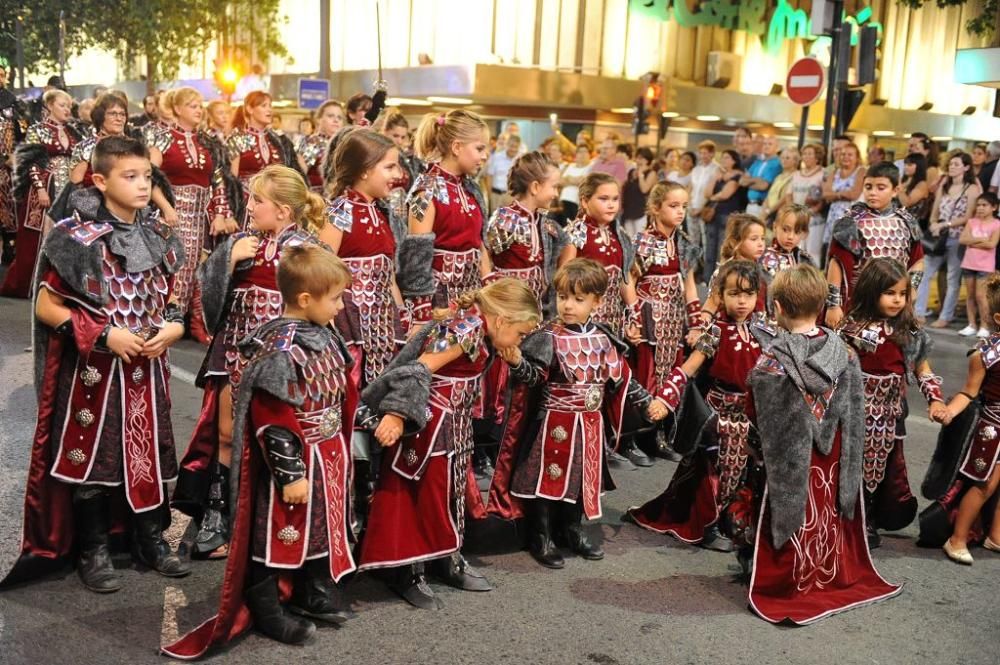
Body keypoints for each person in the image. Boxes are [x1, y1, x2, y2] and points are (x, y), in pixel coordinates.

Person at [2, 135, 190, 591]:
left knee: (147, 455)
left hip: (147, 371)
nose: (143, 185)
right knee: (95, 462)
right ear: (100, 180)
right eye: (130, 177)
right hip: (94, 374)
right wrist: (106, 334)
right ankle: (94, 549)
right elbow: (48, 308)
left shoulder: (161, 234)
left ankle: (150, 539)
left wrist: (173, 328)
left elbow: (174, 302)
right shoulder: (74, 236)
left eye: (146, 175)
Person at [163, 246, 358, 658]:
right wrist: (290, 474)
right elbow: (274, 419)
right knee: (277, 532)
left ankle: (308, 589)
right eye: (335, 298)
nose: (341, 306)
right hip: (294, 462)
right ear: (305, 299)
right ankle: (266, 607)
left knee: (319, 526)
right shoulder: (281, 349)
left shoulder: (324, 335)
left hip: (326, 455)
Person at [172, 165, 333, 560]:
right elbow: (210, 303)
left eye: (258, 200)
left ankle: (265, 518)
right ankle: (216, 512)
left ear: (282, 210)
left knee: (274, 436)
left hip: (282, 359)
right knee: (226, 434)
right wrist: (226, 262)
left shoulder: (311, 250)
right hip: (233, 353)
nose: (250, 205)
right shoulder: (240, 243)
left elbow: (326, 307)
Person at [357, 279, 541, 609]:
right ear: (501, 319)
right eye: (521, 333)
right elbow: (419, 368)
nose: (520, 340)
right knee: (420, 493)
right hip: (429, 424)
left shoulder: (483, 329)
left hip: (453, 424)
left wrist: (513, 358)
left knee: (449, 492)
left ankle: (445, 557)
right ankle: (406, 570)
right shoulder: (467, 329)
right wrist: (398, 413)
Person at [742, 263, 902, 625]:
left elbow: (759, 413)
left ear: (777, 308)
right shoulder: (844, 352)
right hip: (832, 455)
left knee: (791, 509)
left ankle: (786, 580)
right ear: (819, 307)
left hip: (791, 458)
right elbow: (855, 411)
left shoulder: (773, 360)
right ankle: (827, 572)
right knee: (825, 511)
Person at [508, 259, 667, 568]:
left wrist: (648, 401)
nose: (568, 306)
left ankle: (573, 530)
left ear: (596, 301)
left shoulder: (603, 338)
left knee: (581, 479)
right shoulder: (547, 336)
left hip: (590, 424)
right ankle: (541, 536)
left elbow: (621, 377)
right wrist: (516, 361)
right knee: (548, 480)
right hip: (554, 422)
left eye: (578, 299)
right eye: (563, 297)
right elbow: (533, 378)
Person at [628, 260, 766, 552]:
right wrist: (664, 400)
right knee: (714, 474)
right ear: (720, 296)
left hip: (751, 416)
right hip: (717, 417)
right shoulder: (714, 333)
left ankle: (734, 518)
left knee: (745, 471)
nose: (742, 301)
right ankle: (709, 525)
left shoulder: (764, 332)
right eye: (734, 294)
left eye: (749, 294)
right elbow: (686, 370)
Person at [839, 258, 945, 548]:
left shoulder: (910, 332)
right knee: (851, 467)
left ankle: (870, 520)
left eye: (902, 293)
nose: (897, 300)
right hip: (854, 413)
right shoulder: (852, 328)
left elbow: (923, 369)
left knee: (883, 471)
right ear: (872, 292)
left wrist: (935, 399)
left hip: (890, 415)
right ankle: (847, 520)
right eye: (890, 293)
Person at [149, 87, 240, 345]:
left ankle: (192, 323)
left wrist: (222, 213)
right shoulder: (163, 137)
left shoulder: (207, 142)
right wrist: (166, 207)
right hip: (170, 216)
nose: (199, 110)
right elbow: (149, 175)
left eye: (200, 105)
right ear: (177, 109)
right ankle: (164, 318)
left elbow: (218, 180)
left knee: (197, 269)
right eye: (192, 105)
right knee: (170, 267)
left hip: (200, 216)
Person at [623, 182, 702, 460]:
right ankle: (630, 439)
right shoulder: (643, 241)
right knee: (644, 375)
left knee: (669, 374)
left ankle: (657, 435)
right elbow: (629, 281)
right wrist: (633, 319)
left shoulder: (684, 243)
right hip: (647, 318)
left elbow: (690, 286)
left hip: (673, 319)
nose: (680, 212)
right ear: (655, 208)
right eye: (673, 205)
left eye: (683, 206)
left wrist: (696, 323)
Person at [929, 273, 1000, 565]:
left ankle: (995, 536)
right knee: (983, 485)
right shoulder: (985, 355)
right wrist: (949, 411)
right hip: (992, 430)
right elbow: (968, 393)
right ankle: (957, 538)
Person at [397, 109, 490, 331]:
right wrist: (421, 314)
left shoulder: (471, 188)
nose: (485, 156)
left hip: (472, 298)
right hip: (437, 304)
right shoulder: (425, 191)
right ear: (457, 147)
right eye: (479, 148)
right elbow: (416, 256)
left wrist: (489, 284)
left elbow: (479, 242)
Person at [1, 88, 81, 298]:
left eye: (69, 106)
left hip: (68, 189)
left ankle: (62, 283)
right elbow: (31, 162)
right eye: (62, 105)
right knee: (42, 236)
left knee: (67, 236)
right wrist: (40, 189)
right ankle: (36, 281)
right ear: (49, 106)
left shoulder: (74, 132)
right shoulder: (37, 130)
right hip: (45, 188)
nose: (67, 110)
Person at [825, 162, 923, 328]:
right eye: (868, 187)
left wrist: (911, 291)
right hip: (858, 303)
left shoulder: (907, 222)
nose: (872, 193)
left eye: (881, 187)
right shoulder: (851, 221)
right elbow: (837, 264)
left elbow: (917, 260)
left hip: (895, 303)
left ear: (895, 190)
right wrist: (833, 305)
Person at [559, 172, 631, 337]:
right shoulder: (575, 233)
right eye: (604, 199)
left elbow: (626, 278)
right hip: (584, 321)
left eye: (615, 199)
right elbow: (563, 278)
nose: (611, 205)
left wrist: (634, 315)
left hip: (615, 320)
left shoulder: (620, 235)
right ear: (585, 201)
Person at [915, 152, 981, 327]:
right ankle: (919, 312)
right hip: (938, 237)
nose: (952, 167)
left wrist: (945, 225)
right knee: (924, 274)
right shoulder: (945, 186)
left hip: (958, 238)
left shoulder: (971, 189)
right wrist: (934, 224)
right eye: (951, 164)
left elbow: (969, 216)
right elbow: (934, 212)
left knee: (953, 278)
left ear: (966, 167)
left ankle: (946, 316)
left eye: (956, 164)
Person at [228, 91, 301, 227]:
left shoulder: (278, 140)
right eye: (263, 105)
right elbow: (230, 181)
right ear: (249, 109)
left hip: (276, 206)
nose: (269, 109)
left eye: (270, 105)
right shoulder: (237, 138)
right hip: (246, 206)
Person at [694, 213, 767, 330]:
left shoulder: (763, 270)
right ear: (735, 241)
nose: (760, 244)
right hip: (730, 330)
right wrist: (699, 329)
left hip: (756, 331)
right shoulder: (725, 271)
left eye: (762, 238)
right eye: (754, 239)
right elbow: (712, 303)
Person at [958, 193, 1000, 337]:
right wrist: (982, 239)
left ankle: (985, 325)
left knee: (981, 296)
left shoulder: (996, 224)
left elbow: (992, 244)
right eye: (979, 205)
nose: (980, 208)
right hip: (969, 263)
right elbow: (962, 239)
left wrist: (973, 240)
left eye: (984, 205)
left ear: (994, 207)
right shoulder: (971, 222)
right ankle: (971, 324)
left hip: (985, 265)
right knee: (970, 295)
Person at [700, 149, 745, 280]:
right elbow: (707, 193)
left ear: (734, 161)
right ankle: (707, 277)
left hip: (727, 215)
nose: (724, 160)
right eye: (723, 158)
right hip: (712, 215)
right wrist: (714, 178)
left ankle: (719, 277)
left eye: (727, 158)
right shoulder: (718, 174)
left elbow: (726, 194)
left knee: (722, 247)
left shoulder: (738, 176)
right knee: (710, 247)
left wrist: (714, 197)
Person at [821, 140, 865, 251]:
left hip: (852, 217)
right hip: (833, 217)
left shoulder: (861, 171)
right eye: (843, 154)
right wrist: (843, 194)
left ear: (857, 157)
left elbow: (854, 194)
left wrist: (835, 195)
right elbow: (826, 195)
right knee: (831, 250)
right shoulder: (834, 172)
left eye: (850, 155)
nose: (846, 157)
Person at [759, 204, 814, 290]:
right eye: (785, 230)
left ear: (804, 234)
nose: (790, 237)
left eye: (797, 232)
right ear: (775, 227)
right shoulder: (765, 258)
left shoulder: (805, 259)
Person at [786, 143, 826, 259]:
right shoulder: (796, 174)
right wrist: (792, 212)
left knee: (812, 253)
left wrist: (811, 211)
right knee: (796, 250)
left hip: (814, 219)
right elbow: (789, 194)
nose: (806, 157)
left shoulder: (823, 173)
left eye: (810, 154)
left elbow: (823, 198)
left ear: (817, 157)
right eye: (804, 154)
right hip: (797, 217)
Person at [298, 100, 343, 193]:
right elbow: (298, 175)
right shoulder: (312, 142)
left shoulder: (345, 145)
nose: (336, 120)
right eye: (330, 116)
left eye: (339, 117)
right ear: (319, 119)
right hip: (316, 201)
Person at [688, 140, 720, 252]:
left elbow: (712, 192)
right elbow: (690, 188)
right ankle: (692, 266)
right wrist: (690, 205)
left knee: (706, 242)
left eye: (706, 153)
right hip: (692, 208)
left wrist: (700, 208)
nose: (703, 156)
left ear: (712, 153)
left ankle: (705, 267)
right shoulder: (696, 169)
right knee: (692, 241)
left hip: (705, 209)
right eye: (701, 153)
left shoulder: (717, 169)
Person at [741, 133, 781, 218]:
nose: (766, 146)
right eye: (765, 144)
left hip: (763, 207)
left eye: (770, 144)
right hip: (750, 205)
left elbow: (763, 186)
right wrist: (756, 180)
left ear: (777, 147)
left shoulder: (777, 164)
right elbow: (742, 181)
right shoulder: (758, 162)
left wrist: (749, 182)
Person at [621, 146, 657, 238]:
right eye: (638, 157)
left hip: (641, 210)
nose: (639, 160)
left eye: (642, 158)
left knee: (639, 237)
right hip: (628, 209)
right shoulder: (631, 172)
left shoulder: (651, 173)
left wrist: (641, 175)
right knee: (628, 236)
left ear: (648, 160)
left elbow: (644, 189)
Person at [484, 133, 520, 213]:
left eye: (516, 147)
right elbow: (489, 177)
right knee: (494, 222)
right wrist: (490, 196)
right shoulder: (496, 157)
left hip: (512, 197)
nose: (513, 149)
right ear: (506, 145)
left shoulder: (520, 160)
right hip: (496, 195)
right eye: (511, 146)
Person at [760, 146, 798, 223]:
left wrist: (768, 211)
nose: (784, 160)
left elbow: (784, 198)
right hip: (769, 213)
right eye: (782, 158)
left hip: (780, 214)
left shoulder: (796, 176)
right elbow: (769, 196)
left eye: (787, 158)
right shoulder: (778, 177)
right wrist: (764, 211)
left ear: (795, 161)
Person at [557, 144, 591, 225]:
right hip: (564, 200)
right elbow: (560, 181)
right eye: (580, 152)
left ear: (589, 154)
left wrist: (569, 178)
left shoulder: (590, 167)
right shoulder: (570, 166)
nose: (582, 154)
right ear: (576, 154)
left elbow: (583, 181)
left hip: (577, 202)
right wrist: (575, 180)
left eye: (585, 152)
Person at [897, 153, 931, 232]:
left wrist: (898, 184)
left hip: (910, 227)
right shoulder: (904, 181)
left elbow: (907, 203)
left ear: (919, 166)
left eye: (910, 165)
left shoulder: (922, 185)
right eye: (905, 164)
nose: (906, 167)